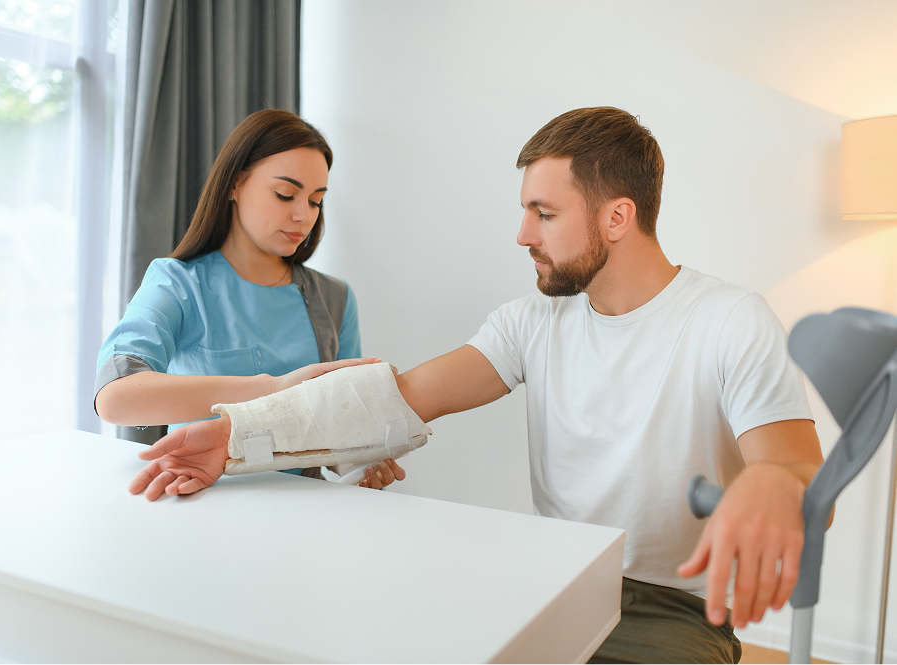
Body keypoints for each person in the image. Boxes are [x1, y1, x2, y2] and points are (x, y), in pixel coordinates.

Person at [127, 107, 824, 663]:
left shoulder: (730, 319)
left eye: (544, 214)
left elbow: (795, 467)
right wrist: (233, 436)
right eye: (526, 210)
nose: (522, 234)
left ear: (617, 216)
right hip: (558, 578)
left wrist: (772, 483)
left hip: (675, 606)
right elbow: (394, 394)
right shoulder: (533, 321)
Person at [96, 109, 404, 489]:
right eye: (285, 194)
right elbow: (115, 397)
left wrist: (355, 467)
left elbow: (340, 423)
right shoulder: (177, 283)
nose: (302, 215)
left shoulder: (335, 298)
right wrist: (271, 389)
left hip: (302, 510)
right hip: (200, 502)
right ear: (235, 184)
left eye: (315, 200)